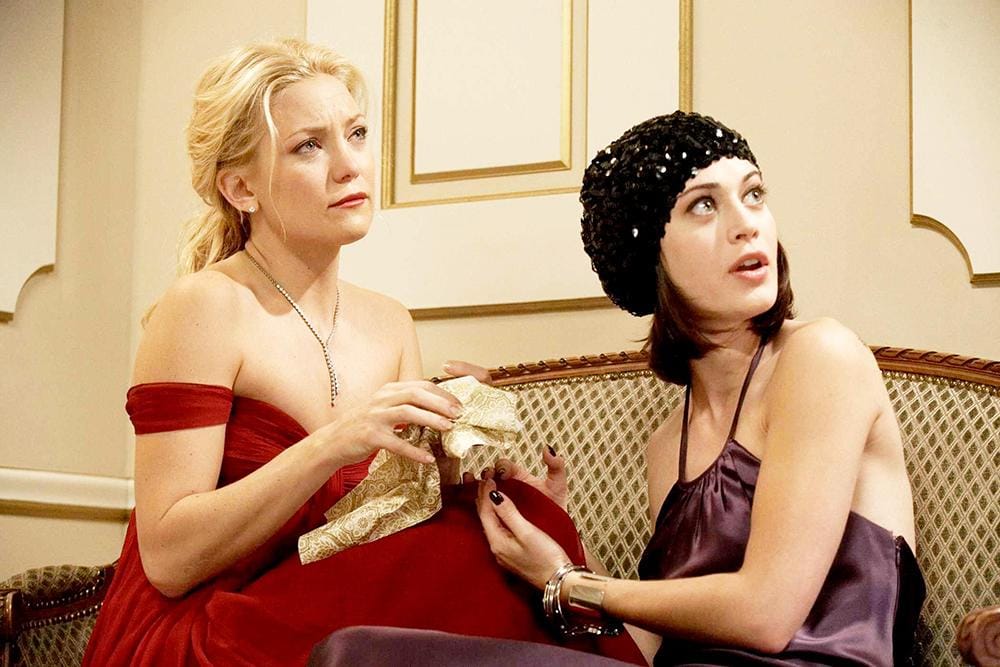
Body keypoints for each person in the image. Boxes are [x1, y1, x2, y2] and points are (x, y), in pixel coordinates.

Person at [82, 38, 643, 666]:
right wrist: (333, 444)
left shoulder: (390, 321)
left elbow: (380, 526)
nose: (350, 166)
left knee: (506, 532)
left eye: (356, 134)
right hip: (210, 623)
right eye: (308, 146)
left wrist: (489, 491)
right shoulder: (204, 307)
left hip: (322, 607)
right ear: (241, 188)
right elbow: (168, 560)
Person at [475, 111, 926, 666]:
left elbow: (766, 614)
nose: (747, 224)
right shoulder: (668, 444)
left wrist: (568, 582)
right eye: (704, 205)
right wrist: (559, 536)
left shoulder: (821, 357)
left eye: (754, 194)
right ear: (650, 258)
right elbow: (655, 646)